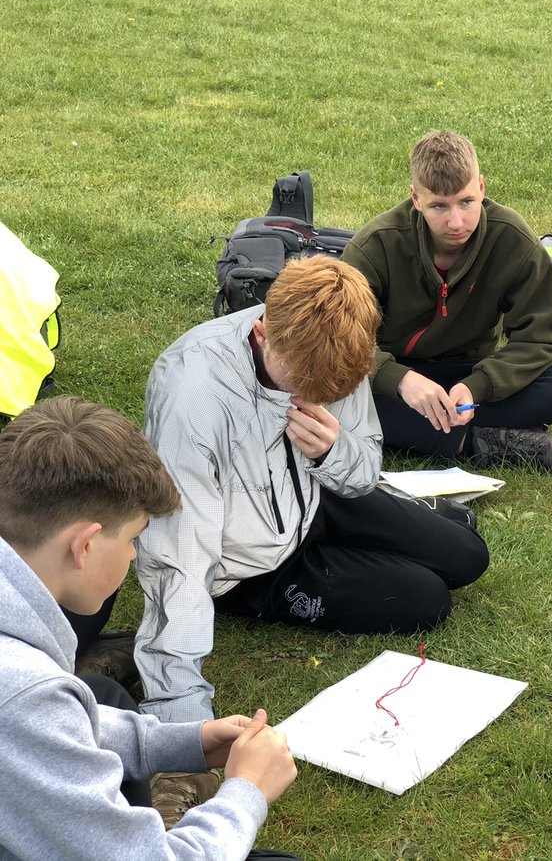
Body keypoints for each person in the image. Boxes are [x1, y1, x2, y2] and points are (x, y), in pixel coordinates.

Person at [135, 256, 489, 731]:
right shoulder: (193, 397)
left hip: (317, 494)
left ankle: (415, 520)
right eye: (301, 387)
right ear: (262, 334)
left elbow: (363, 468)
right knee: (427, 600)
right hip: (249, 563)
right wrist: (179, 725)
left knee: (467, 555)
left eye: (331, 392)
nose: (316, 399)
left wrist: (331, 451)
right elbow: (177, 556)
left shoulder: (340, 342)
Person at [0, 396, 300, 859]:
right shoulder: (26, 697)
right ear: (84, 544)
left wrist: (187, 742)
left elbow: (59, 727)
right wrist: (247, 791)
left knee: (99, 692)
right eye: (133, 538)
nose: (136, 555)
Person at [341, 129, 552, 474]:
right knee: (333, 398)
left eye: (466, 202)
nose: (456, 222)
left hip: (468, 375)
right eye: (439, 206)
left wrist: (477, 387)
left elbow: (545, 339)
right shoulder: (376, 246)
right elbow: (337, 340)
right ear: (415, 197)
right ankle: (481, 442)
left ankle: (440, 429)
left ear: (482, 188)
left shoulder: (513, 241)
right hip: (395, 379)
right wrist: (397, 378)